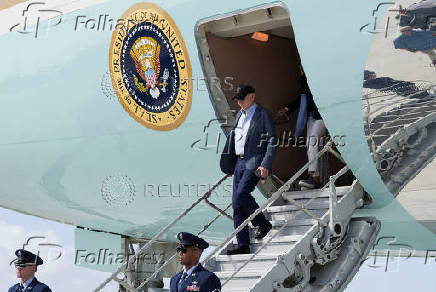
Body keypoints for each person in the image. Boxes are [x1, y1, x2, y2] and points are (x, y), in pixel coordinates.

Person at [220, 83, 277, 255]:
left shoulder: (262, 115)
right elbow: (235, 138)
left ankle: (262, 223)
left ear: (252, 96)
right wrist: (230, 163)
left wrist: (266, 164)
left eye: (242, 100)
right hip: (239, 162)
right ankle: (243, 244)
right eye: (237, 100)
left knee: (242, 195)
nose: (239, 103)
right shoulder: (239, 114)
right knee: (237, 204)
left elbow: (272, 141)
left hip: (254, 162)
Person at [278, 66, 326, 189]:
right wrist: (288, 109)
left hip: (322, 115)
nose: (299, 71)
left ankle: (312, 174)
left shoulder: (316, 79)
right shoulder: (304, 82)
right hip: (311, 116)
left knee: (312, 142)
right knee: (310, 144)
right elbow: (302, 98)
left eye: (300, 69)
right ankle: (315, 178)